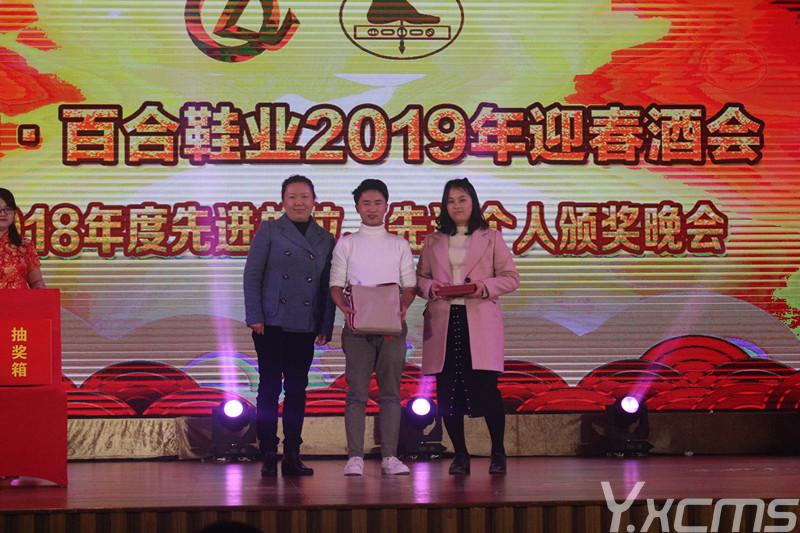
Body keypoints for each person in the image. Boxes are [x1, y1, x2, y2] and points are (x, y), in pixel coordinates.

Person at [416, 178, 520, 475]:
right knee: (448, 390)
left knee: (486, 388)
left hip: (478, 320)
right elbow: (420, 279)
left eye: (462, 199)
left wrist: (482, 287)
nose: (456, 206)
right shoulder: (433, 241)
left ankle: (497, 451)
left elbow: (511, 278)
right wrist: (431, 288)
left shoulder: (491, 237)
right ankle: (460, 454)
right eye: (450, 201)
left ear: (473, 202)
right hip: (444, 321)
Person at [243, 175, 336, 477]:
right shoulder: (270, 230)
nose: (299, 202)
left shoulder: (325, 239)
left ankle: (293, 453)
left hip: (304, 325)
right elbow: (252, 275)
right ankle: (268, 451)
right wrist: (255, 315)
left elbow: (327, 286)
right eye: (292, 197)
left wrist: (325, 324)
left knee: (297, 389)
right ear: (283, 201)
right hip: (270, 323)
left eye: (304, 197)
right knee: (269, 388)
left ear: (314, 200)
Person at [330, 179, 416, 476]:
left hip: (392, 327)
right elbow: (335, 285)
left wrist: (403, 306)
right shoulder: (347, 243)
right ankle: (355, 456)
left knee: (391, 393)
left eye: (377, 203)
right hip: (357, 329)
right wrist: (344, 308)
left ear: (386, 207)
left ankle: (390, 456)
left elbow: (409, 285)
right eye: (366, 203)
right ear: (357, 207)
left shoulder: (399, 244)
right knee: (356, 393)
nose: (372, 208)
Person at [0, 188, 45, 289]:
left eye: (8, 209)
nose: (3, 214)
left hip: (19, 299)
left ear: (14, 212)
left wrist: (43, 295)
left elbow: (36, 282)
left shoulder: (25, 245)